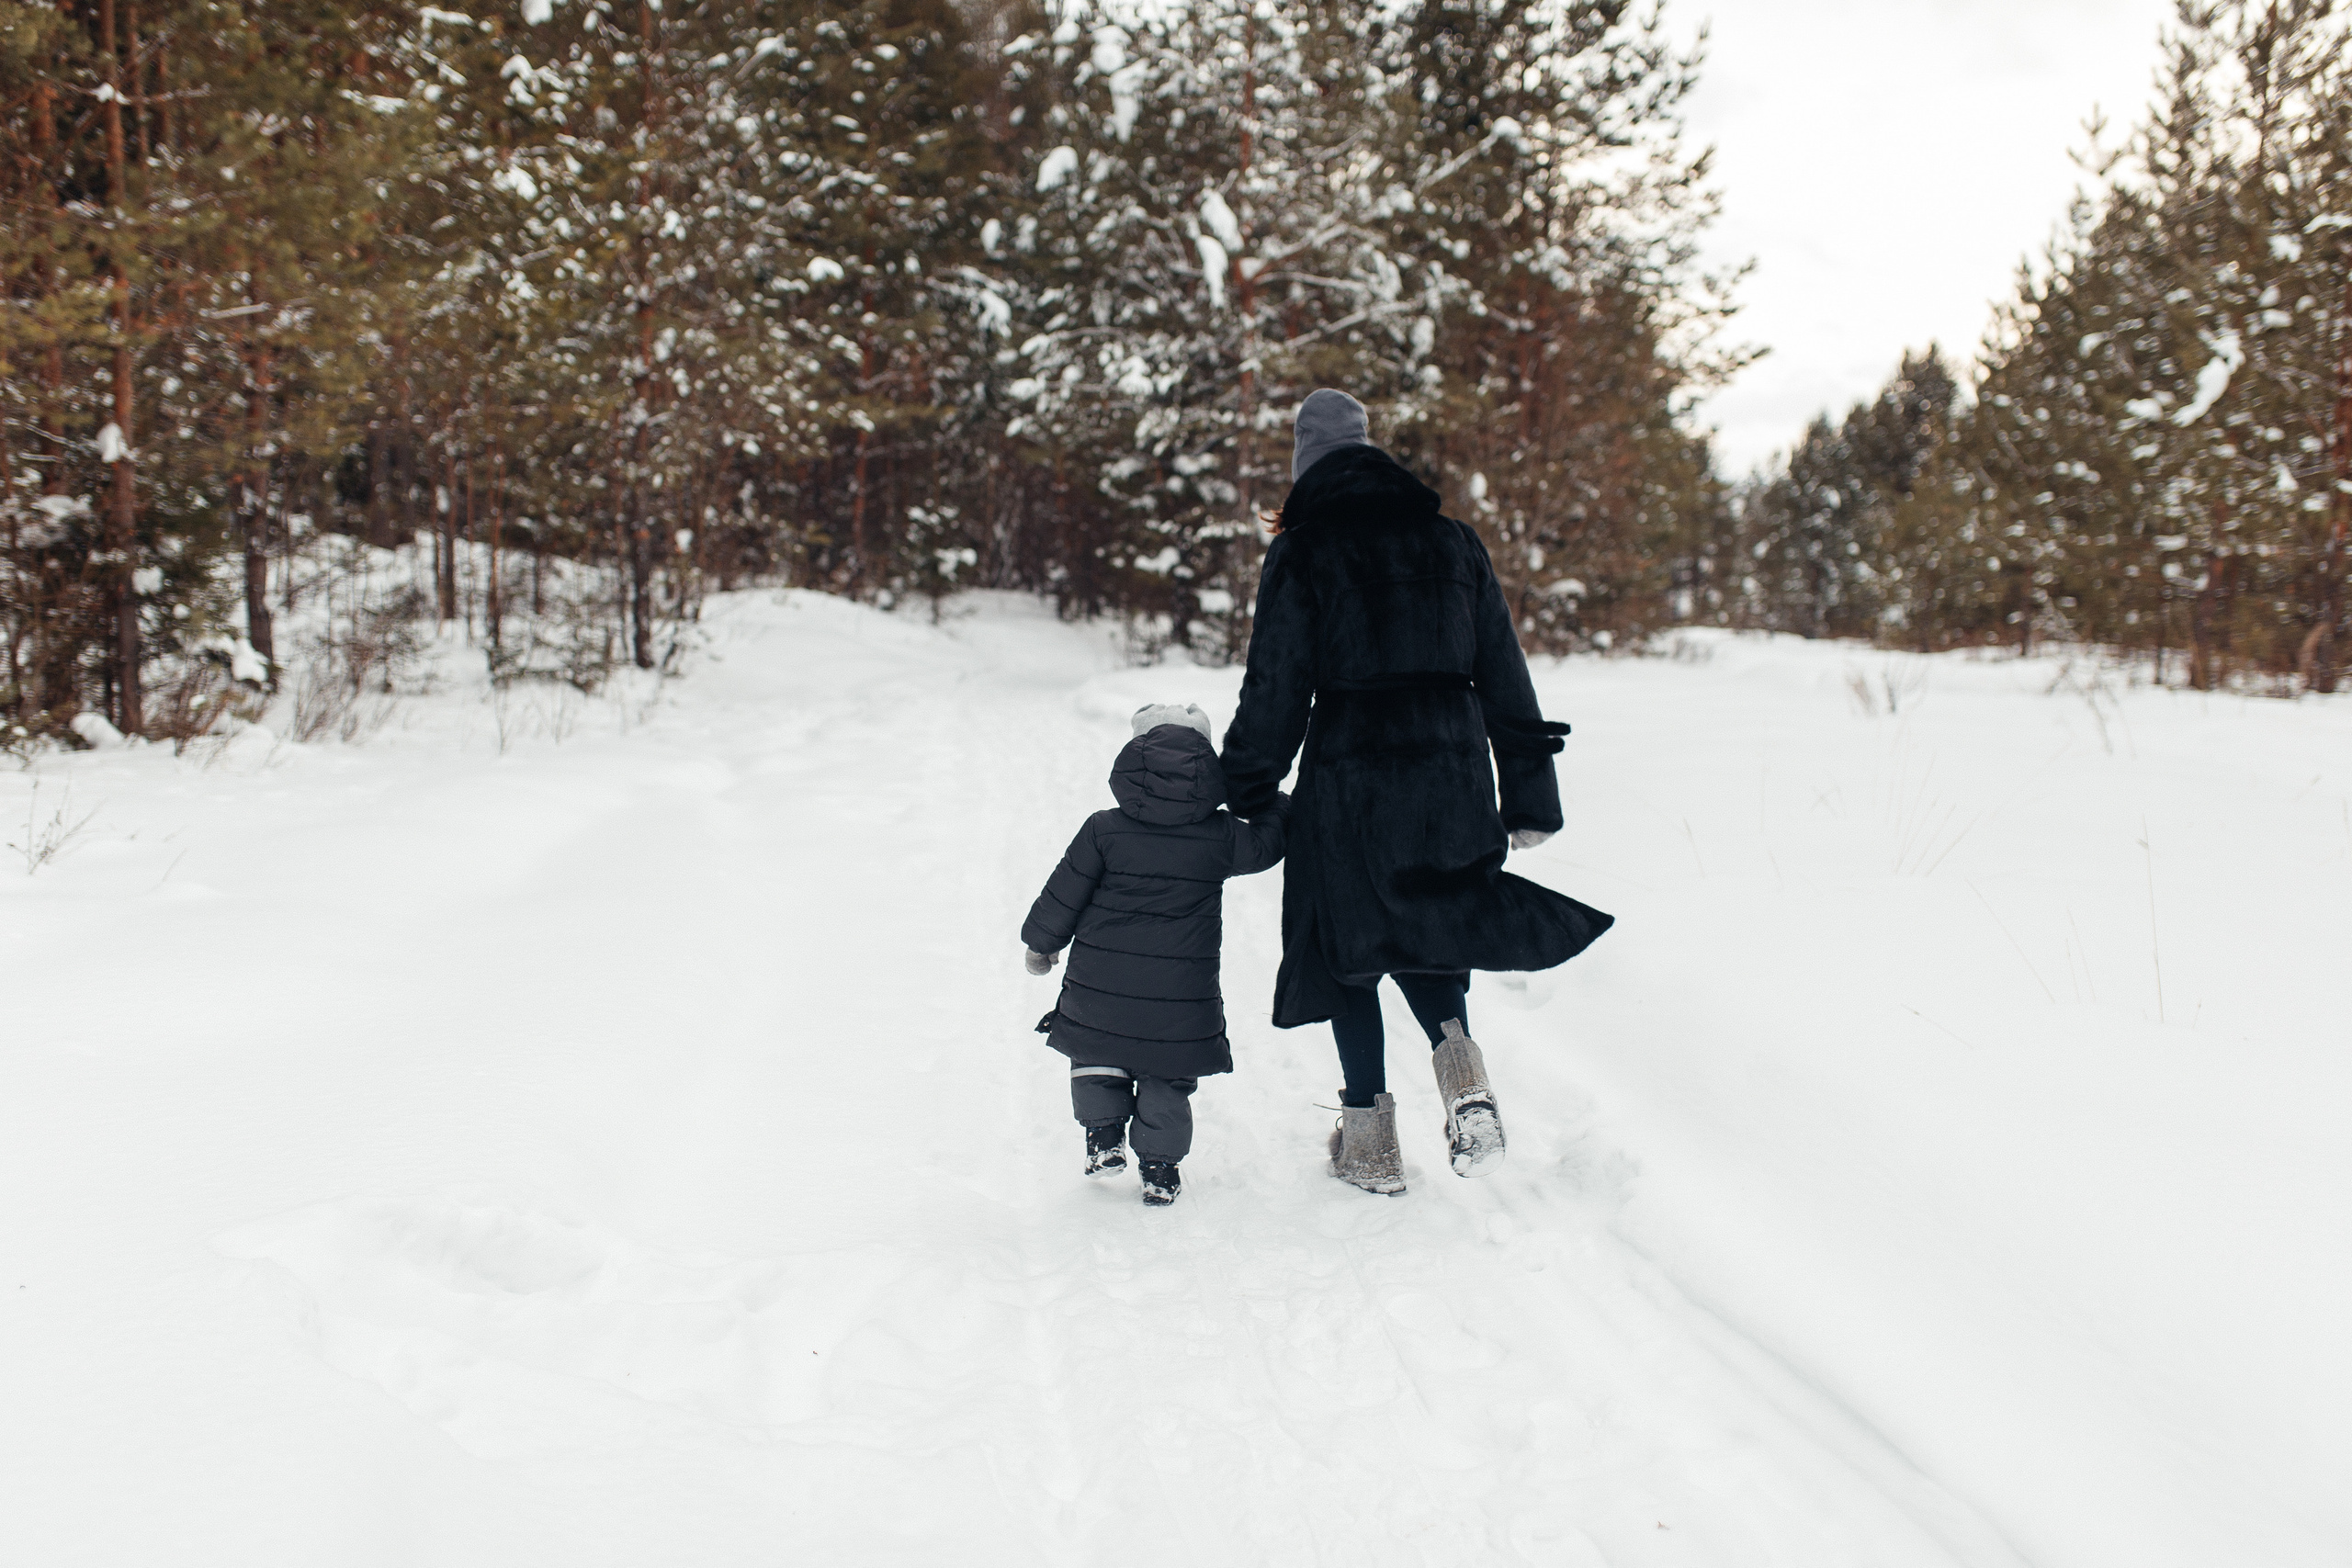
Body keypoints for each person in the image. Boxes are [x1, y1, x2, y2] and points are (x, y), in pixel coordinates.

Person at [1219, 389, 1614, 1196]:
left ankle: (1369, 1144)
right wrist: (1529, 793)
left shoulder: (1305, 551)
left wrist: (1247, 780)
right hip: (1452, 770)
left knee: (1349, 948)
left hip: (1351, 777)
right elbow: (1505, 669)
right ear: (1373, 454)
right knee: (1435, 922)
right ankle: (1462, 1072)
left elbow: (1277, 686)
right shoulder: (1452, 541)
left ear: (1305, 468)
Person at [1022, 703, 1287, 1206]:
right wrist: (1276, 803)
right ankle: (1160, 1168)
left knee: (1096, 1050)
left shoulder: (1104, 828)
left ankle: (1102, 1137)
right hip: (1179, 994)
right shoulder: (1221, 835)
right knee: (1168, 1069)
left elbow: (1066, 891)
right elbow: (1269, 842)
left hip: (1102, 977)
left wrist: (1042, 943)